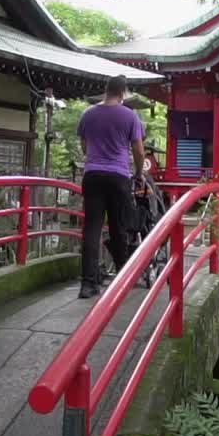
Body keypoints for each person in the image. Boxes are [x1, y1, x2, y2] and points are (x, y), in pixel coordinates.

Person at [76, 75, 146, 299]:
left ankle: (88, 284)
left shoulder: (88, 114)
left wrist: (97, 158)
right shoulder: (130, 116)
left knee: (92, 228)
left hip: (93, 175)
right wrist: (137, 173)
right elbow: (138, 150)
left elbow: (85, 146)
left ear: (106, 90)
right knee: (119, 228)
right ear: (123, 92)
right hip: (118, 177)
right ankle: (122, 279)